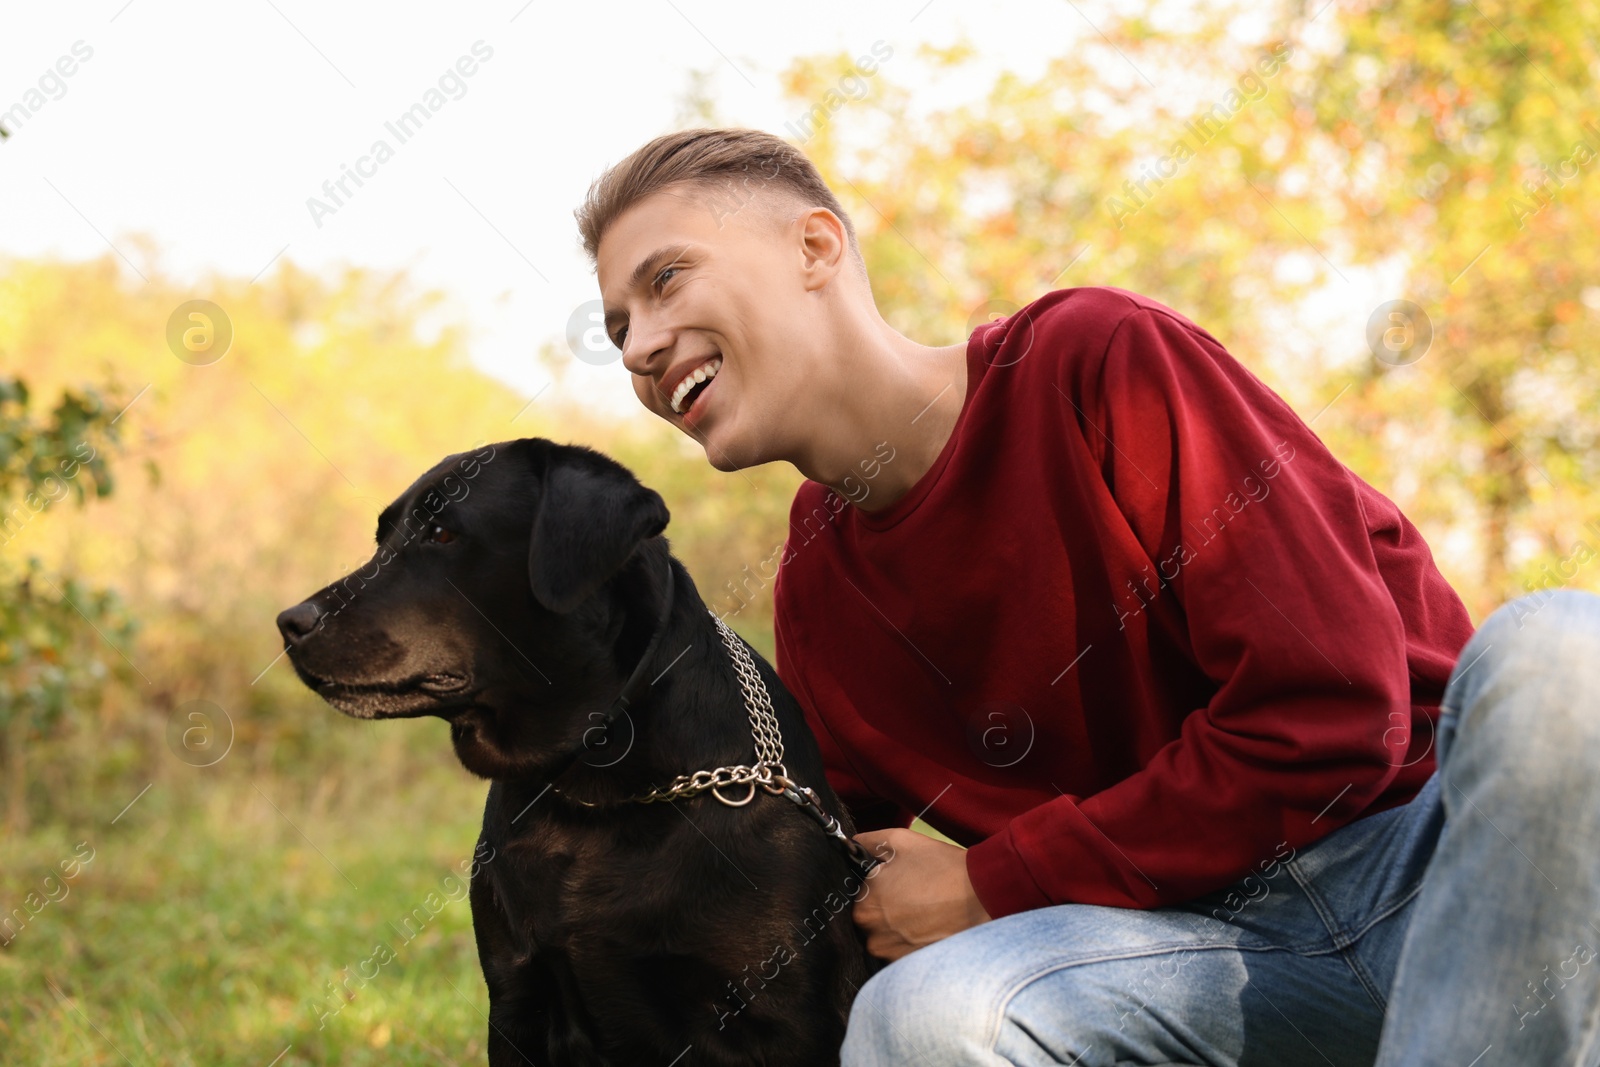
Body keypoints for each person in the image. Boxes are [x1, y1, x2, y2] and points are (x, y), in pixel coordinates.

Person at [575, 126, 1600, 1066]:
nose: (638, 346)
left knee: (1563, 651)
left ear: (814, 248)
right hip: (1177, 959)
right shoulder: (812, 594)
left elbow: (1330, 718)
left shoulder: (1094, 361)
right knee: (923, 1016)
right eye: (619, 324)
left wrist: (990, 880)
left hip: (1441, 877)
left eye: (666, 281)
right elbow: (868, 909)